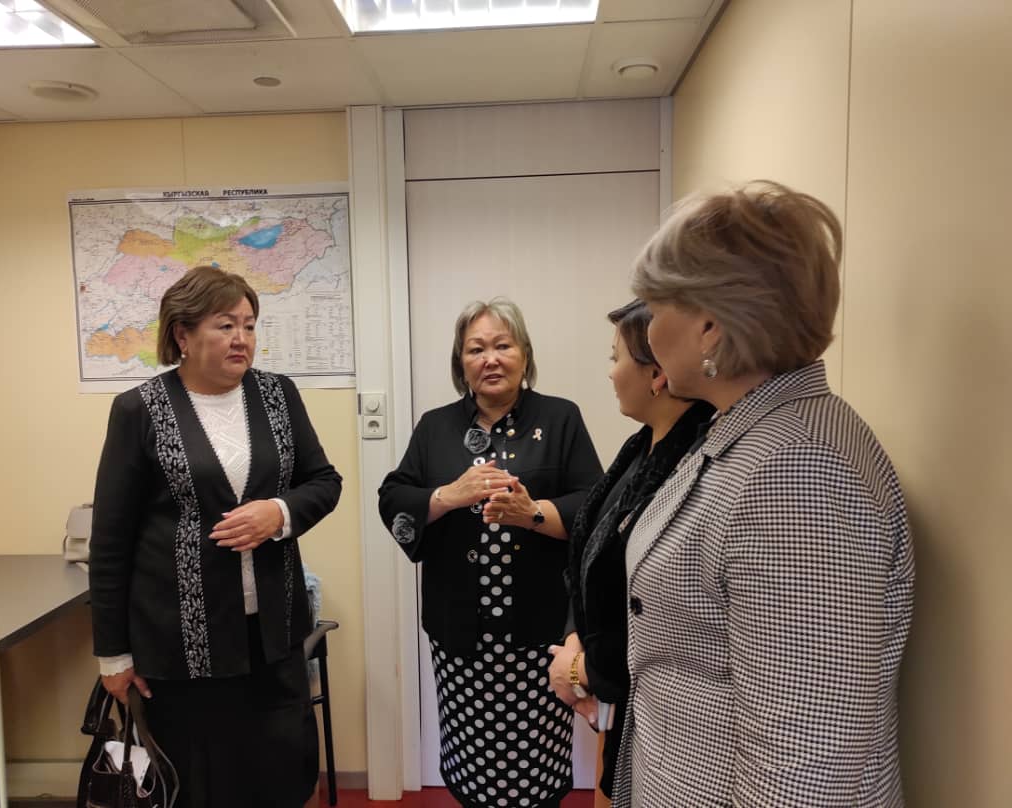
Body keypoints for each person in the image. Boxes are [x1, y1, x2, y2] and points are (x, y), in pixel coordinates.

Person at [612, 181, 915, 807]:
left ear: (709, 326)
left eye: (657, 307)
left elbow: (804, 768)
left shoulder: (797, 473)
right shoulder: (752, 430)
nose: (649, 330)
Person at [89, 265, 342, 808]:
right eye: (226, 325)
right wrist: (113, 656)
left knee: (281, 776)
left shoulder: (278, 395)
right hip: (180, 645)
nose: (242, 339)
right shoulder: (139, 410)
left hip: (272, 636)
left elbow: (324, 482)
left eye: (249, 325)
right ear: (182, 334)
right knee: (199, 785)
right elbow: (109, 543)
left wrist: (279, 512)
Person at [379, 298, 602, 808]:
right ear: (461, 362)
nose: (490, 359)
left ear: (525, 354)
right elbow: (393, 497)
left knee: (536, 763)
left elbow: (594, 504)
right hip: (460, 633)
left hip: (539, 631)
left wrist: (534, 513)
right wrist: (447, 495)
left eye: (503, 345)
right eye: (476, 349)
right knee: (472, 760)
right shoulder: (435, 426)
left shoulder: (561, 418)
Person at [546, 300, 713, 802]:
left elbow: (658, 604)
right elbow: (590, 562)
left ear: (656, 374)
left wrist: (581, 672)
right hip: (612, 692)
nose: (611, 372)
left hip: (663, 720)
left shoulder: (694, 462)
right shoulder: (642, 447)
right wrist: (574, 640)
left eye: (615, 357)